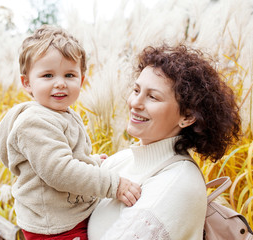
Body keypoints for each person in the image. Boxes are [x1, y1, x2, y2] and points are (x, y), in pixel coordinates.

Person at [0, 25, 141, 240]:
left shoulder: (61, 113)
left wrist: (89, 161)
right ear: (27, 83)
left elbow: (58, 158)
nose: (60, 83)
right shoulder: (34, 122)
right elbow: (59, 170)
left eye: (69, 75)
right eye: (47, 75)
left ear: (81, 80)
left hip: (69, 215)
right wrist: (113, 184)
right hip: (55, 226)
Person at [87, 44, 241, 240]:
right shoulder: (122, 159)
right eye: (136, 90)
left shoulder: (178, 183)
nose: (135, 103)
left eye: (152, 97)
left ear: (187, 117)